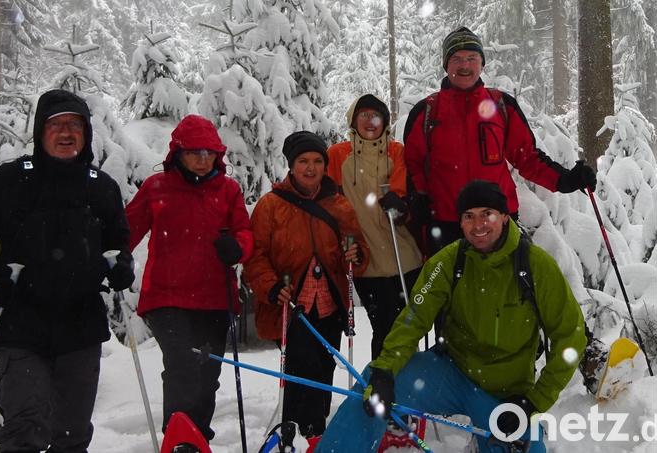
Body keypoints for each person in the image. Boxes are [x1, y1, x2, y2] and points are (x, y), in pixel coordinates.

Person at [315, 180, 587, 453]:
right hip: (451, 375)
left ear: (504, 216)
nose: (478, 225)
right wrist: (385, 370)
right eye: (469, 216)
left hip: (506, 395)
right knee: (373, 383)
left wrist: (533, 402)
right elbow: (414, 319)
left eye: (487, 214)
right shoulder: (449, 261)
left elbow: (570, 337)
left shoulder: (535, 266)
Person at [0, 89, 135, 453]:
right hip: (21, 321)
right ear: (41, 132)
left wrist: (120, 267)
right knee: (24, 424)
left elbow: (118, 245)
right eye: (56, 125)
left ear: (86, 133)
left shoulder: (101, 187)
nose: (66, 132)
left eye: (75, 125)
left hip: (81, 324)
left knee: (71, 434)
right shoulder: (9, 181)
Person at [403, 26, 597, 256]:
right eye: (456, 59)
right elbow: (412, 165)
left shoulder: (501, 105)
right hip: (447, 224)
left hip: (499, 221)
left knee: (506, 290)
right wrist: (420, 200)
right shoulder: (426, 111)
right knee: (451, 292)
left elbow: (527, 157)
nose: (465, 65)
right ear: (446, 65)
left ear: (481, 64)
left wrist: (565, 179)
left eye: (472, 58)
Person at [125, 114, 253, 443]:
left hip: (214, 298)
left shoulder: (228, 190)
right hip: (165, 298)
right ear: (178, 153)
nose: (202, 159)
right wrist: (110, 259)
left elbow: (244, 232)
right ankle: (180, 439)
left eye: (209, 153)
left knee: (207, 373)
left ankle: (198, 439)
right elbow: (124, 233)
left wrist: (236, 247)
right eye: (195, 152)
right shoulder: (157, 188)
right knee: (183, 364)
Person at [244, 131, 370, 450]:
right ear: (291, 165)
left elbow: (355, 248)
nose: (311, 168)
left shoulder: (338, 204)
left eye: (317, 161)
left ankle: (306, 432)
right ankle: (307, 432)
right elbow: (255, 255)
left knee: (323, 366)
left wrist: (355, 254)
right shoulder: (271, 206)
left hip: (329, 302)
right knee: (304, 366)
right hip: (289, 303)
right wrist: (271, 287)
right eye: (303, 161)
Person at [326, 94, 424, 361]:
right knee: (384, 327)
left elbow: (404, 191)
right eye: (364, 115)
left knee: (408, 327)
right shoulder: (337, 155)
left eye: (376, 116)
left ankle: (408, 384)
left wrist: (400, 204)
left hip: (404, 256)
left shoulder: (396, 151)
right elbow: (330, 202)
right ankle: (383, 386)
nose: (370, 122)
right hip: (367, 261)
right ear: (353, 120)